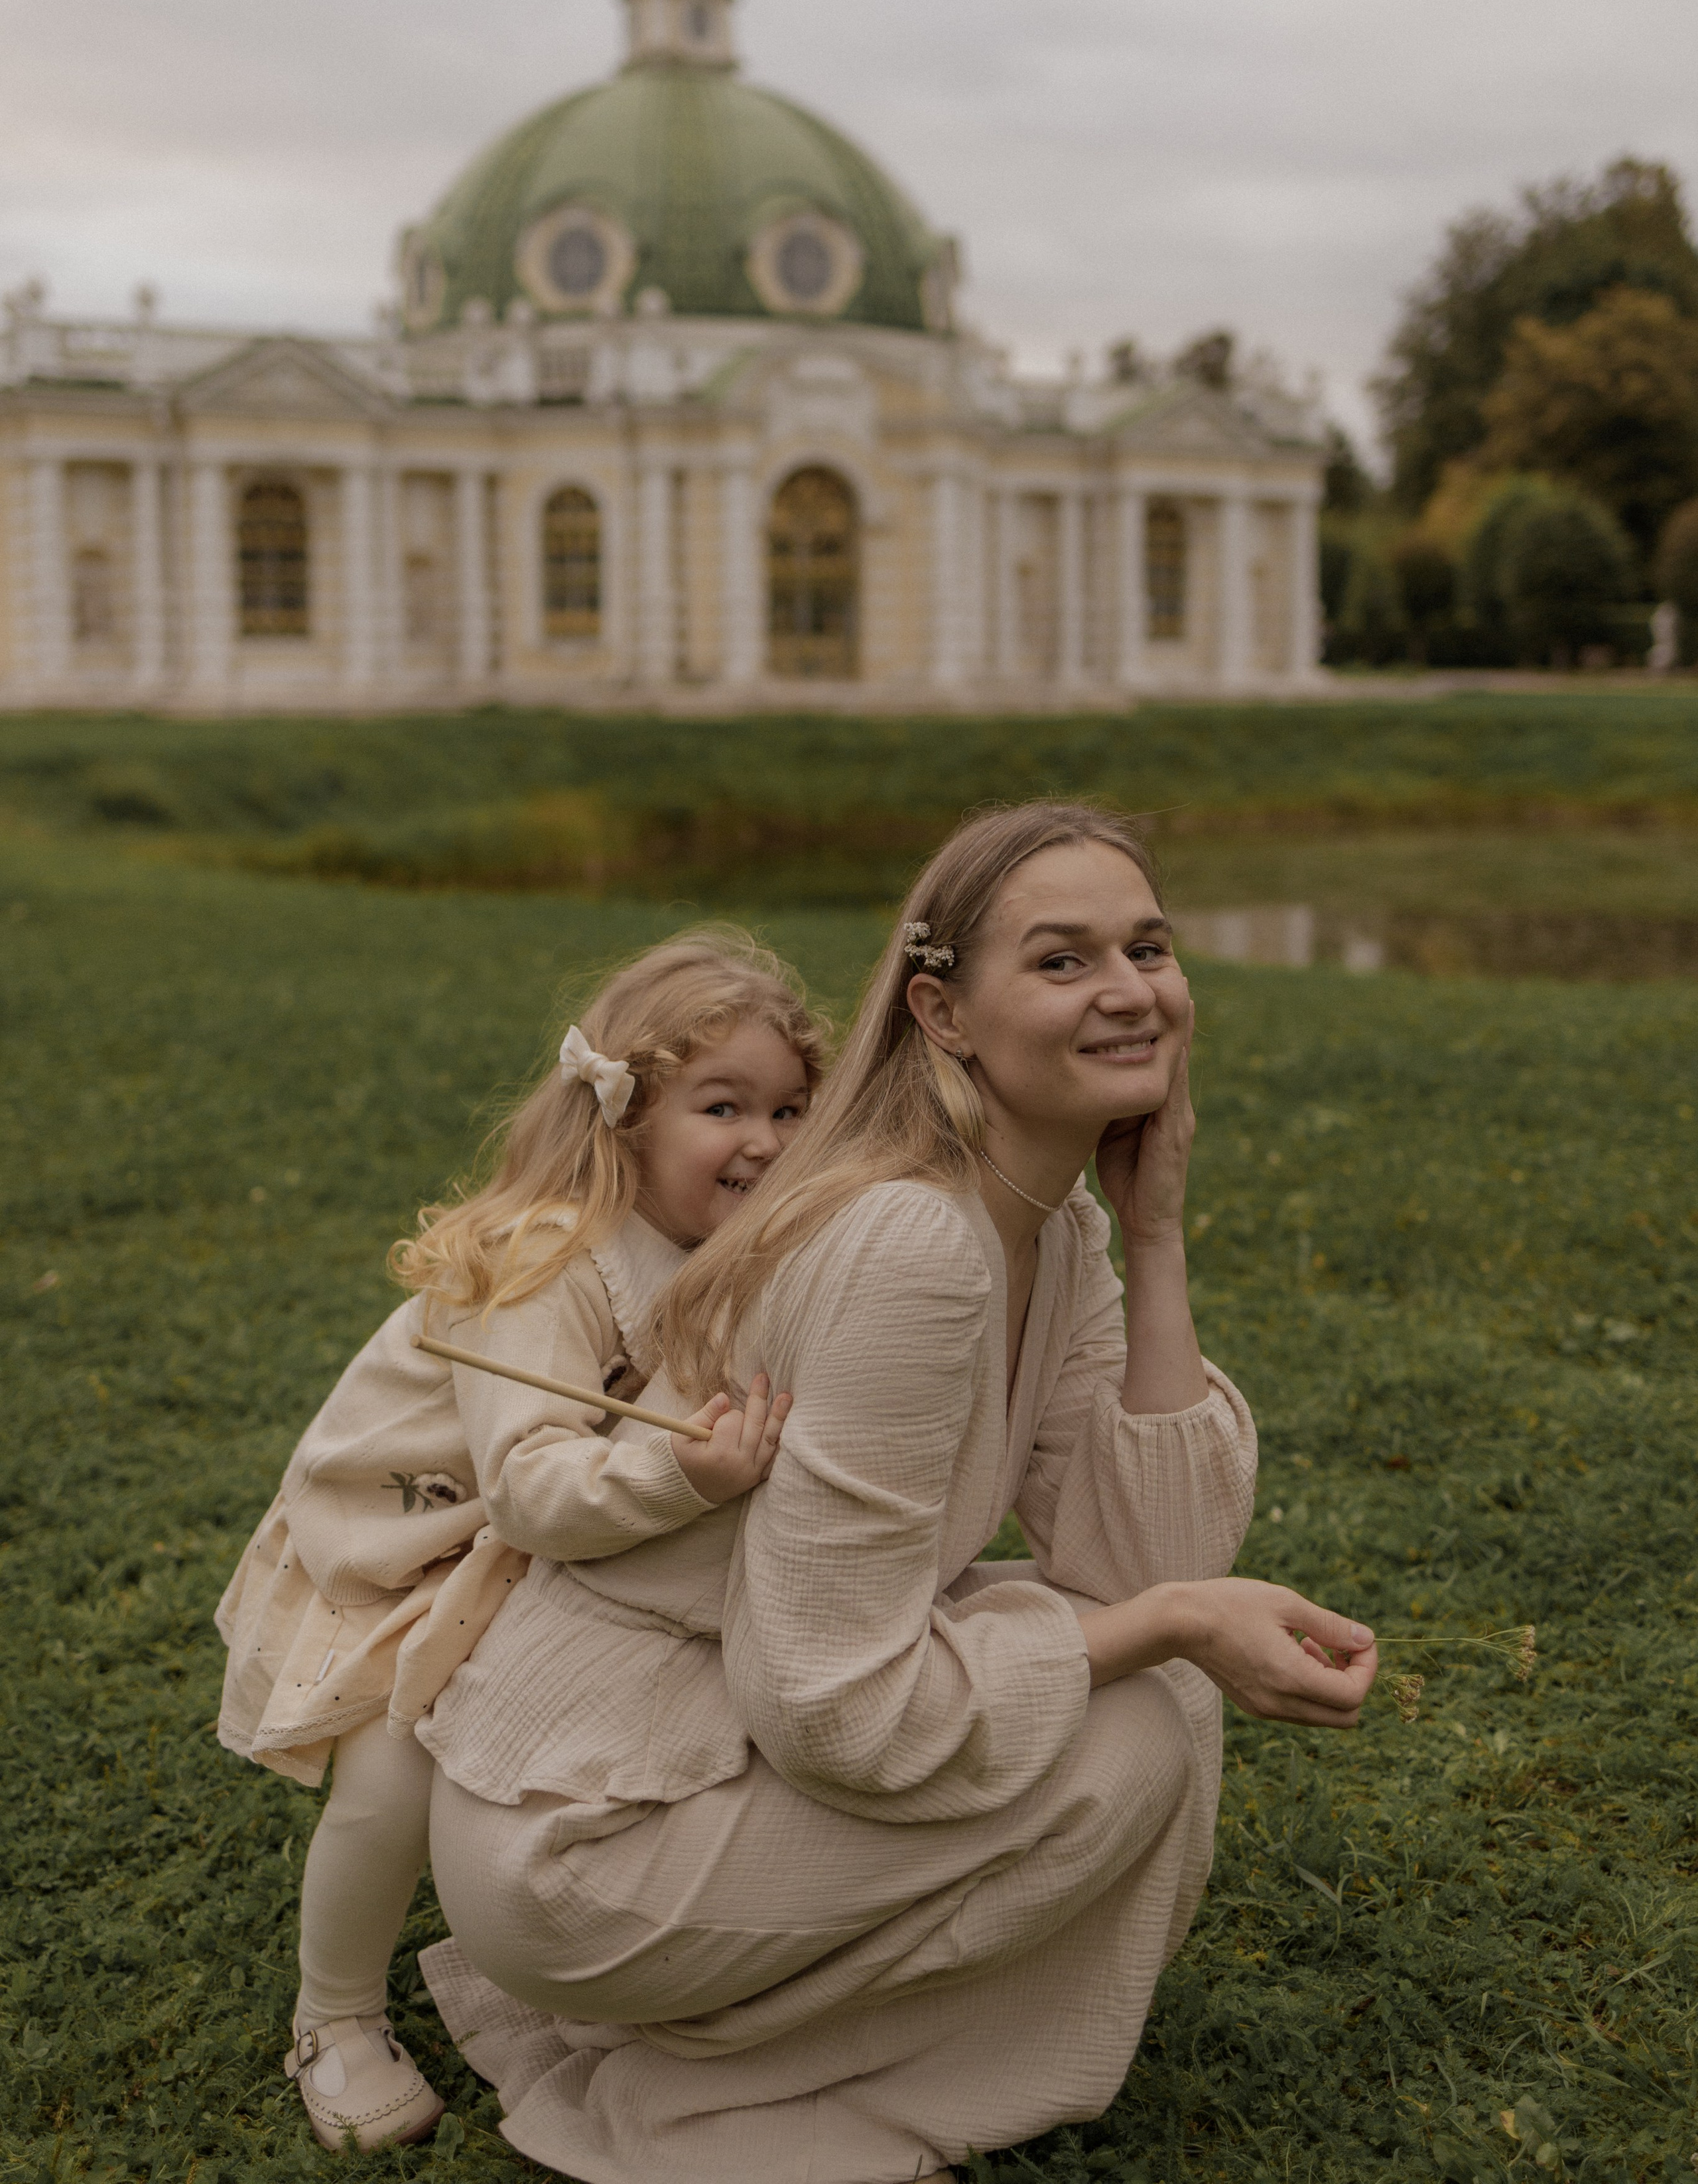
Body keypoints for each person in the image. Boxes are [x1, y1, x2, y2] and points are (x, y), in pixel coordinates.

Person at [416, 803, 1378, 2184]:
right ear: (940, 1009)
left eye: (1147, 948)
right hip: (591, 1831)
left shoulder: (1051, 1214)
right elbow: (835, 1712)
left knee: (1151, 1685)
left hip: (709, 1736)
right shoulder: (908, 1245)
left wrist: (1156, 1231)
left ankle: (759, 2048)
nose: (1127, 991)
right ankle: (732, 2103)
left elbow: (1145, 1550)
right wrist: (1170, 1622)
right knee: (1142, 1727)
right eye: (1060, 962)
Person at [214, 930, 821, 2151]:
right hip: (417, 1540)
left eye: (793, 1109)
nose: (767, 1139)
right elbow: (535, 1487)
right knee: (398, 1765)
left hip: (538, 1542)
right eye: (724, 1106)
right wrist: (683, 1472)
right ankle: (332, 2019)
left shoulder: (724, 1250)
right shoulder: (548, 1263)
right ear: (627, 1121)